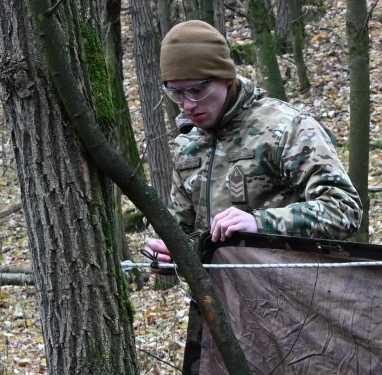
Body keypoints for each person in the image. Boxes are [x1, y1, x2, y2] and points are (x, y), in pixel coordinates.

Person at [144, 20, 362, 264]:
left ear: (225, 77)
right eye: (176, 93)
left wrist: (260, 223)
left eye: (196, 91)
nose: (188, 104)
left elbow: (344, 210)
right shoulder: (188, 144)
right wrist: (174, 257)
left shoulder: (286, 127)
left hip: (288, 293)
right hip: (215, 297)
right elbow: (187, 233)